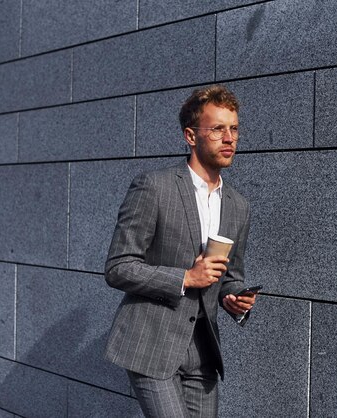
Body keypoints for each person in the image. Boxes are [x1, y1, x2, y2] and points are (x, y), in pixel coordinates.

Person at [103, 85, 257, 417]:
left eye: (234, 129)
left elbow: (230, 276)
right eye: (217, 129)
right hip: (152, 343)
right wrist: (186, 277)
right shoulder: (154, 187)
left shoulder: (238, 206)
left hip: (204, 350)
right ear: (190, 136)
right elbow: (118, 267)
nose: (229, 138)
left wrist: (235, 298)